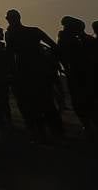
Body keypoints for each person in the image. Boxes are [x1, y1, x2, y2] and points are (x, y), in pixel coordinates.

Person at [4, 10, 62, 142]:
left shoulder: (12, 35)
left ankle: (39, 133)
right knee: (46, 104)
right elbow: (54, 46)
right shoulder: (34, 31)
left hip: (24, 75)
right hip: (38, 73)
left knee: (29, 106)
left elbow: (9, 55)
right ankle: (55, 133)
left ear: (9, 19)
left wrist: (11, 74)